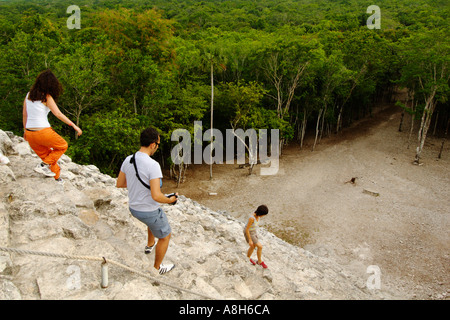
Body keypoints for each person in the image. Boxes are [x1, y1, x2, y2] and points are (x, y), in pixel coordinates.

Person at [116, 127, 177, 275]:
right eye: (158, 143)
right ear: (152, 144)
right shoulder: (153, 165)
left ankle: (150, 244)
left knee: (151, 220)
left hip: (134, 208)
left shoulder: (128, 159)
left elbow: (120, 183)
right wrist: (170, 200)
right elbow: (156, 196)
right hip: (148, 210)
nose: (157, 147)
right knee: (165, 236)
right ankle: (157, 268)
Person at [23, 69, 82, 184]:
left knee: (49, 156)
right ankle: (42, 165)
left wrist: (25, 130)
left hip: (30, 133)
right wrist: (74, 125)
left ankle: (56, 178)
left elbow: (25, 114)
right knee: (62, 145)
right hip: (43, 131)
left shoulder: (28, 95)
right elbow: (58, 114)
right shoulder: (46, 96)